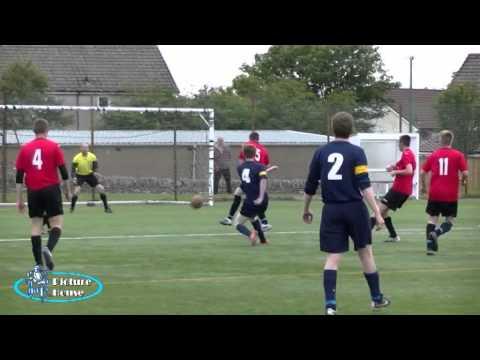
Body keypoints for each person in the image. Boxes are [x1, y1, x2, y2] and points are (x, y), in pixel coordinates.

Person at [303, 112, 390, 315]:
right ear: (351, 130)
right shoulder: (357, 152)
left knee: (333, 257)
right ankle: (376, 299)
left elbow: (310, 185)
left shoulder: (321, 152)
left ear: (333, 129)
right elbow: (364, 185)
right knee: (365, 252)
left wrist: (306, 209)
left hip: (331, 210)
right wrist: (377, 212)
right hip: (354, 208)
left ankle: (330, 305)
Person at [15, 118, 72, 271]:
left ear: (34, 131)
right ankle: (48, 249)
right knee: (57, 224)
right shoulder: (54, 147)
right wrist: (68, 191)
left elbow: (19, 177)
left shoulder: (25, 149)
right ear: (47, 131)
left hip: (33, 191)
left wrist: (19, 199)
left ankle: (39, 264)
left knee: (35, 227)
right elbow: (64, 172)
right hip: (51, 189)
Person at [420, 130, 468, 256]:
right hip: (450, 195)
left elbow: (422, 172)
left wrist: (424, 187)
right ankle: (437, 233)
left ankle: (430, 248)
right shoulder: (458, 155)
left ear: (441, 140)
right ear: (451, 140)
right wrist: (463, 181)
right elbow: (465, 173)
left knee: (431, 219)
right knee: (449, 221)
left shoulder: (434, 154)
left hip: (435, 193)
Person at [220, 132, 273, 231]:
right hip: (258, 177)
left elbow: (240, 162)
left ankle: (230, 218)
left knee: (247, 197)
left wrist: (244, 173)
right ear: (258, 138)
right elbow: (266, 166)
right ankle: (230, 218)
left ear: (250, 138)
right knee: (241, 194)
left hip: (249, 177)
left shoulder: (246, 146)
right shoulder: (264, 149)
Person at [370, 135, 416, 242]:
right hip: (403, 190)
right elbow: (401, 165)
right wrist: (392, 167)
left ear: (401, 143)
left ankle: (364, 237)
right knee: (384, 212)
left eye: (399, 143)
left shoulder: (406, 154)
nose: (398, 146)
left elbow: (409, 170)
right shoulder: (408, 154)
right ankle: (393, 236)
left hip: (399, 190)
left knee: (377, 211)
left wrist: (395, 172)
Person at [233, 145, 269, 246]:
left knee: (237, 223)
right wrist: (261, 197)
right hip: (264, 201)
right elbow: (262, 179)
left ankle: (250, 235)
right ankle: (263, 240)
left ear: (244, 154)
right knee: (253, 217)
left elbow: (250, 182)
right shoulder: (261, 166)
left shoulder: (240, 168)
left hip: (251, 201)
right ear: (255, 154)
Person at [70, 143, 112, 213]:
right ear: (80, 149)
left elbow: (95, 167)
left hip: (89, 175)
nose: (85, 149)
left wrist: (95, 172)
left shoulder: (92, 156)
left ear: (88, 149)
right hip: (80, 176)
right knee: (76, 191)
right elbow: (73, 170)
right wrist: (74, 177)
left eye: (86, 148)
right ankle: (72, 208)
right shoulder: (76, 158)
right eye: (83, 148)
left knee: (101, 189)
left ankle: (106, 208)